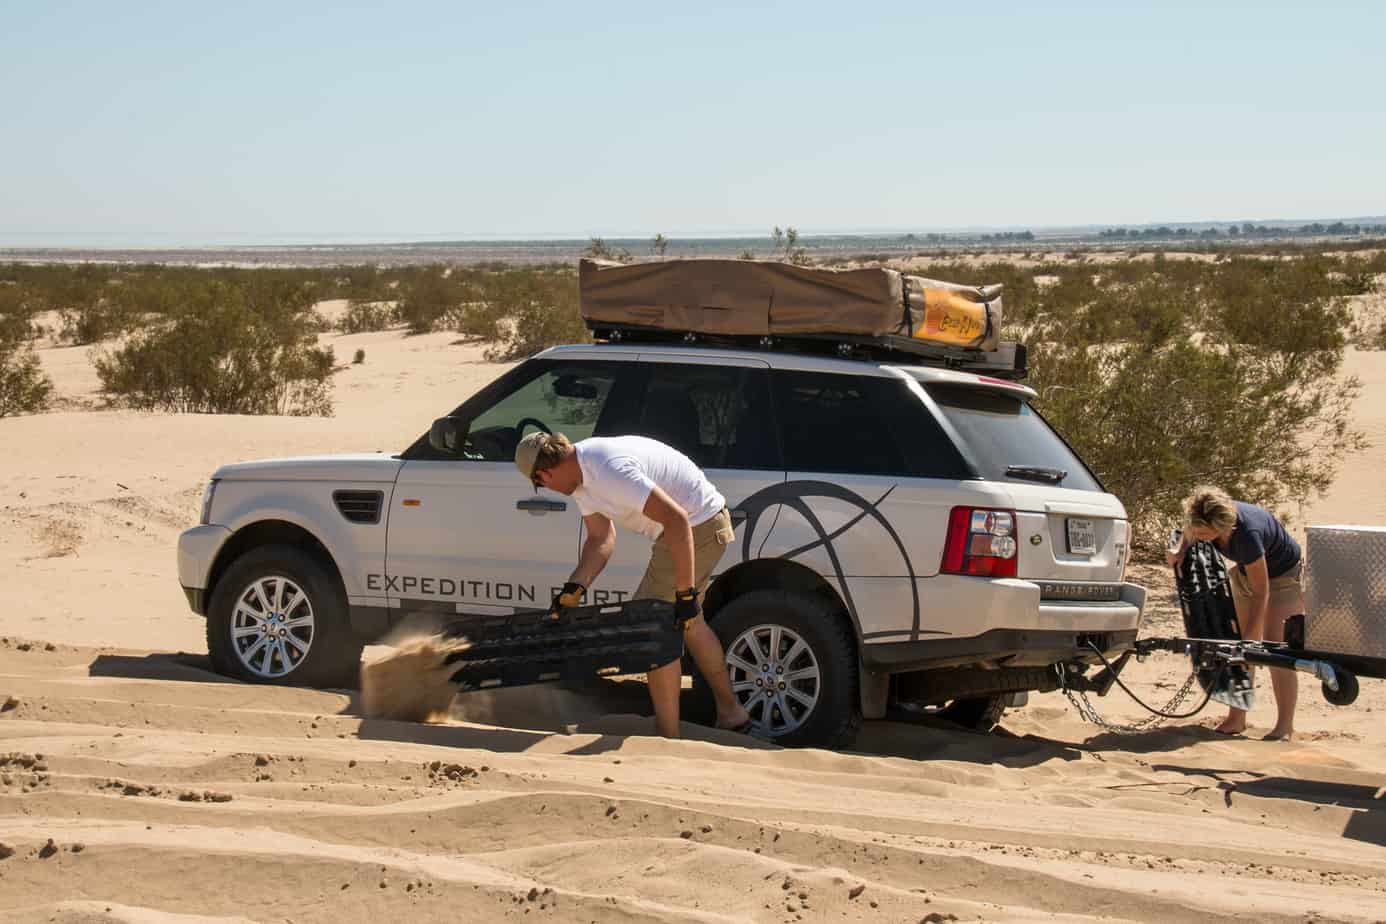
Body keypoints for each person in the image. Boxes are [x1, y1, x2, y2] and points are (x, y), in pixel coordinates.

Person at [514, 431, 753, 738]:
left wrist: (684, 593)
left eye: (540, 484)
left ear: (544, 474)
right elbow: (601, 538)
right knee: (690, 623)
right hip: (698, 526)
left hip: (696, 526)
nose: (547, 489)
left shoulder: (608, 469)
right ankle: (731, 713)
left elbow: (677, 519)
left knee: (651, 625)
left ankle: (667, 736)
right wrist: (574, 588)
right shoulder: (580, 479)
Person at [1168, 486, 1302, 740]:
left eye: (1204, 533)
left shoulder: (1247, 535)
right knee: (1238, 648)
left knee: (1276, 651)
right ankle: (1237, 719)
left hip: (1282, 578)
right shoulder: (1203, 518)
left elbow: (1261, 591)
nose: (1199, 537)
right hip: (1245, 574)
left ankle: (1285, 726)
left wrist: (1253, 635)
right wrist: (1181, 548)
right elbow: (1190, 530)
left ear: (1222, 526)